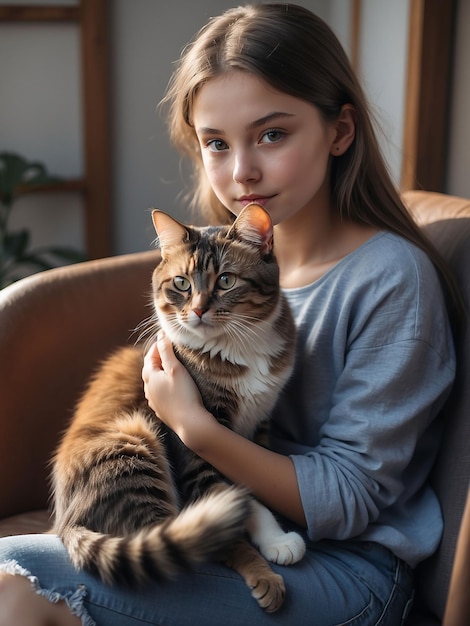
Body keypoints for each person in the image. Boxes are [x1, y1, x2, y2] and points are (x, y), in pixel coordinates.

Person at [0, 4, 459, 625]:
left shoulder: (390, 279)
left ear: (340, 132)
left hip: (350, 569)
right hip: (220, 522)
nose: (241, 171)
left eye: (272, 134)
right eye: (216, 143)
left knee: (13, 583)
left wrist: (194, 425)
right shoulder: (221, 263)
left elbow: (350, 499)